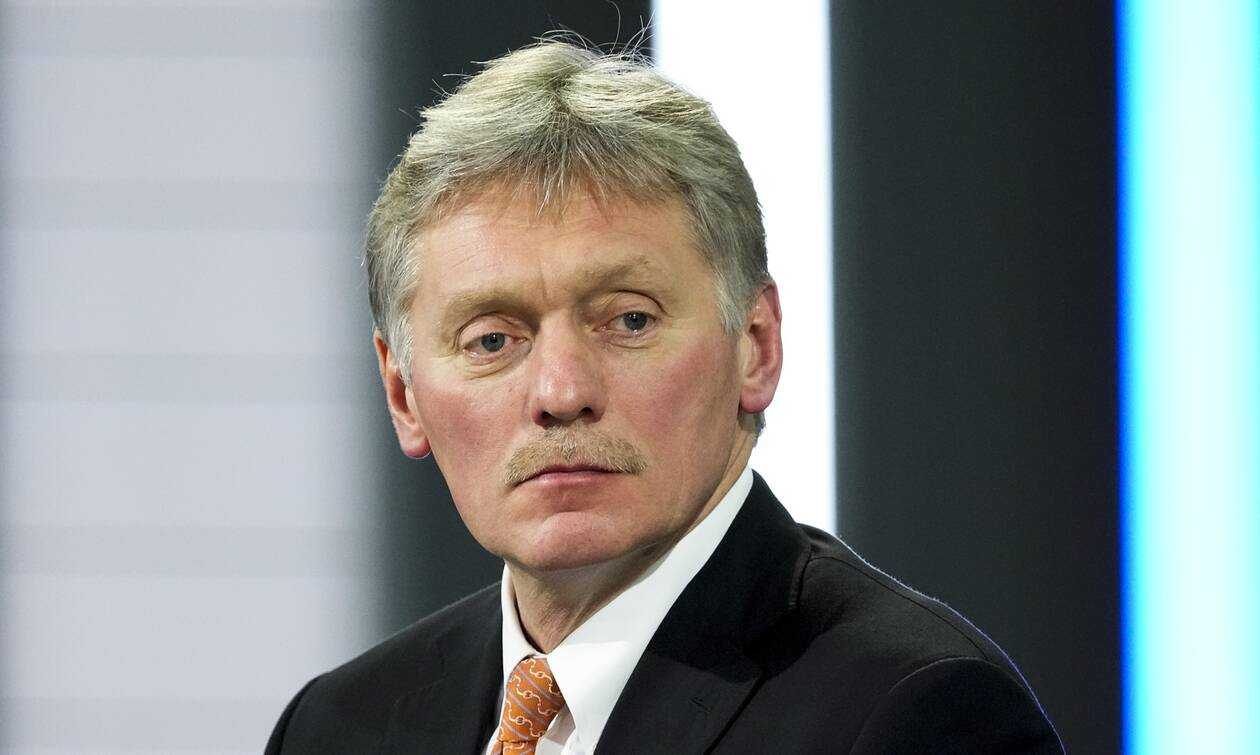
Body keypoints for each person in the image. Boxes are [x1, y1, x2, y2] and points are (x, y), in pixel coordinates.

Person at [265, 40, 1062, 754]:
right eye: (493, 340)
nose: (561, 392)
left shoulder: (919, 715)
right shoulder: (337, 727)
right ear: (403, 394)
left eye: (629, 320)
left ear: (756, 346)